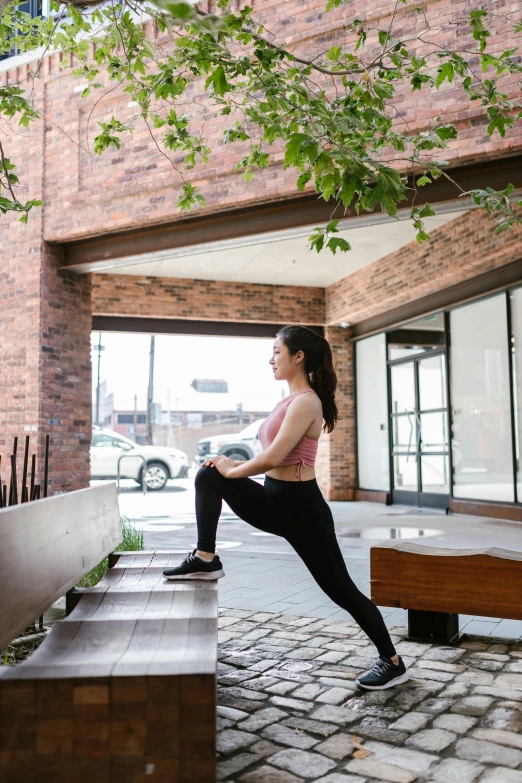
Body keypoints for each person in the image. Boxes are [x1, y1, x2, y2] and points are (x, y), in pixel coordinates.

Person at [163, 326, 409, 690]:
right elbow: (267, 457)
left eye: (277, 351)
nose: (271, 358)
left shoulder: (307, 401)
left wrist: (234, 468)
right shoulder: (286, 401)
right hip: (271, 499)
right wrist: (227, 467)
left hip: (301, 510)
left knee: (340, 589)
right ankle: (205, 557)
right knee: (208, 476)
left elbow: (273, 457)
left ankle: (392, 661)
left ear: (298, 357)